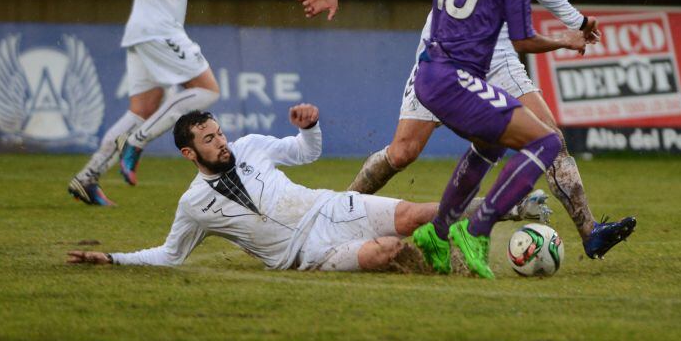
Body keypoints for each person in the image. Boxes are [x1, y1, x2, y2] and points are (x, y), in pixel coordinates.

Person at [300, 0, 632, 261]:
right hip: (446, 46)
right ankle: (336, 212)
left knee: (550, 138)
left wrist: (576, 21)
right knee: (404, 152)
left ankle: (590, 232)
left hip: (497, 51)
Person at [67, 106, 441, 273]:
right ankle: (439, 256)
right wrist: (114, 258)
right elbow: (169, 256)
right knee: (386, 251)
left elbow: (305, 153)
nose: (221, 142)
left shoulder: (250, 146)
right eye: (209, 139)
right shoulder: (194, 204)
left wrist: (309, 127)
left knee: (416, 214)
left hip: (328, 207)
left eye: (220, 133)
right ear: (189, 153)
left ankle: (493, 211)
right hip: (309, 254)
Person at [68, 0, 233, 206]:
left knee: (141, 109)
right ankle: (138, 141)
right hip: (156, 29)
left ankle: (88, 177)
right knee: (206, 90)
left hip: (152, 31)